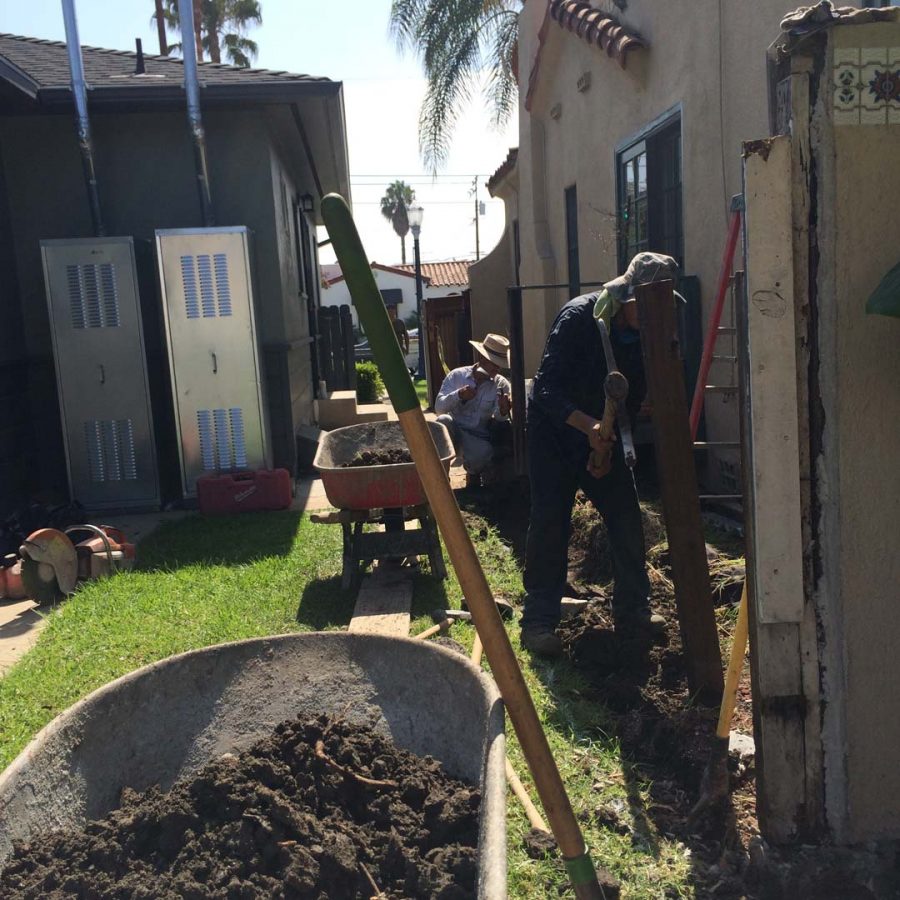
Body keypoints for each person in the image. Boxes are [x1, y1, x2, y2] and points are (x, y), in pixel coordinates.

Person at [520, 253, 682, 657]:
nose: (651, 314)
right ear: (627, 297)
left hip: (600, 442)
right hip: (553, 438)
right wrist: (589, 427)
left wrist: (605, 449)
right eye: (644, 305)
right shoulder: (579, 319)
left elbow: (632, 396)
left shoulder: (645, 336)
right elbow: (545, 391)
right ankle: (539, 620)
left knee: (627, 519)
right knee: (550, 523)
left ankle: (633, 612)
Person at [435, 333, 512, 487]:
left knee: (483, 454)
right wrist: (459, 395)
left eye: (499, 364)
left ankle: (473, 474)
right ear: (482, 358)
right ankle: (441, 479)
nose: (497, 368)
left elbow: (500, 418)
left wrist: (504, 411)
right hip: (454, 428)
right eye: (494, 363)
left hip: (477, 435)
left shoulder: (501, 384)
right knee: (442, 422)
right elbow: (439, 408)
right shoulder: (457, 376)